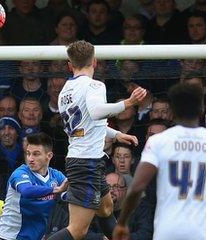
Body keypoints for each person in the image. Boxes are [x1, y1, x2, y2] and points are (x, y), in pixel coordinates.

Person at [113, 82, 206, 240]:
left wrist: (122, 222)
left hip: (166, 232)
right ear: (202, 109)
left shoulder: (158, 142)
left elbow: (137, 187)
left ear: (173, 111)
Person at [47, 40, 147, 240]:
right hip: (87, 163)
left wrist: (116, 135)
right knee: (78, 230)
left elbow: (86, 124)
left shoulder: (65, 90)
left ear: (69, 64)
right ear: (95, 61)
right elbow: (96, 112)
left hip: (83, 158)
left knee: (106, 209)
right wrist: (129, 102)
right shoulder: (94, 85)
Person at [0, 132, 67, 240]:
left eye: (36, 154)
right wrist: (54, 189)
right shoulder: (20, 173)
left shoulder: (56, 176)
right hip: (11, 237)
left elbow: (70, 194)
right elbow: (27, 191)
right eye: (28, 153)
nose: (30, 159)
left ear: (49, 156)